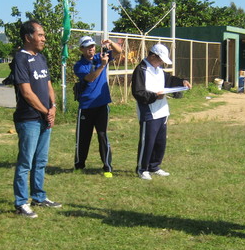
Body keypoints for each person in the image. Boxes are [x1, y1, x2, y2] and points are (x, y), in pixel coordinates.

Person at [12, 20, 61, 218]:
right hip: (29, 119)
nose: (44, 39)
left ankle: (39, 196)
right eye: (40, 35)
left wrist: (53, 107)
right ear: (28, 37)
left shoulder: (40, 58)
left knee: (41, 160)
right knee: (26, 162)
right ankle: (21, 203)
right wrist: (45, 111)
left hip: (44, 118)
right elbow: (26, 92)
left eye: (43, 35)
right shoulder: (20, 59)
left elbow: (48, 84)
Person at [131, 43, 191, 180]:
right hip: (148, 111)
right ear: (152, 56)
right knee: (147, 141)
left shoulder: (158, 69)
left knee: (160, 142)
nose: (161, 63)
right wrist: (154, 96)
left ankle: (154, 166)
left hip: (162, 111)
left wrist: (182, 82)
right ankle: (142, 168)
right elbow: (138, 92)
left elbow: (169, 80)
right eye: (160, 60)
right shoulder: (141, 70)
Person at [73, 36, 122, 177]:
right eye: (88, 47)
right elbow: (90, 78)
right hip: (86, 106)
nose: (91, 49)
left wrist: (110, 42)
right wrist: (102, 65)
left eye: (93, 46)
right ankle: (79, 165)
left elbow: (119, 51)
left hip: (102, 104)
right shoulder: (79, 65)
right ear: (81, 49)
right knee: (83, 137)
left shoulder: (100, 57)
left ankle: (107, 167)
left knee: (102, 135)